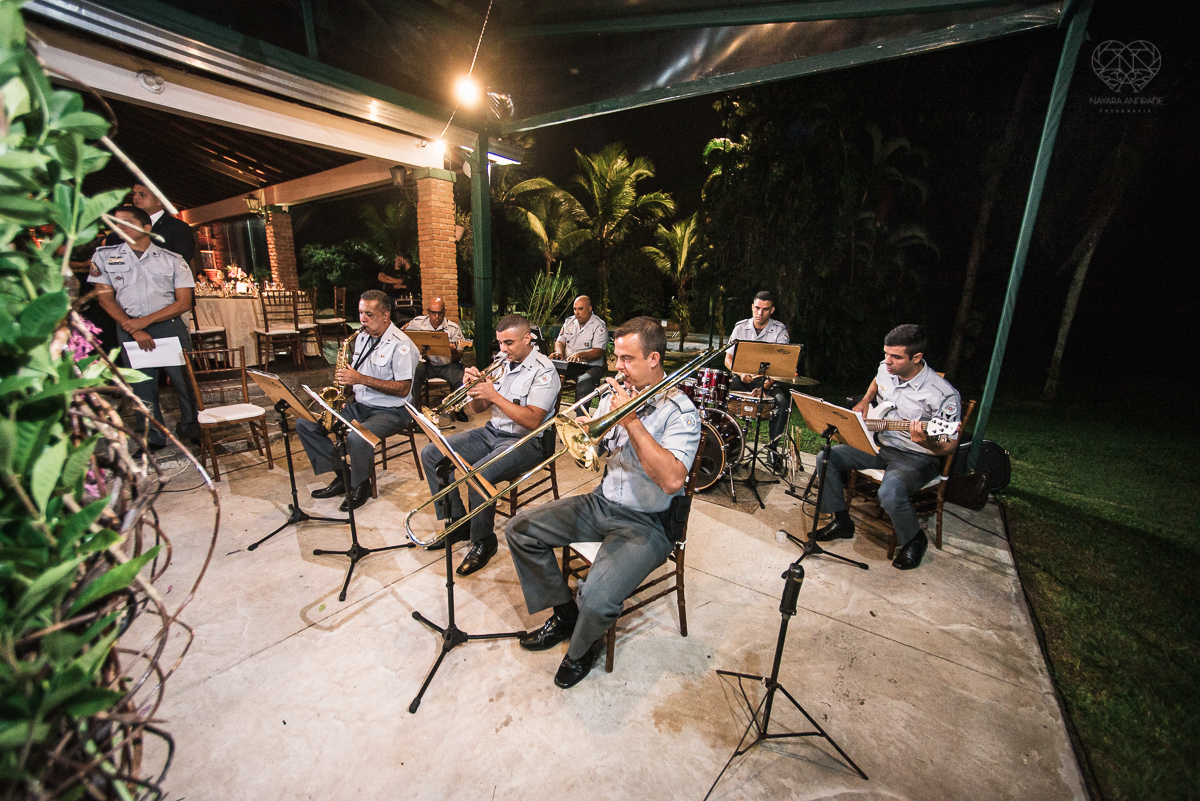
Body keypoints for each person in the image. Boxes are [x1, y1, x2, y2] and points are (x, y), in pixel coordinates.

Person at [506, 317, 702, 689]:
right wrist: (589, 432)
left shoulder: (680, 411)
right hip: (602, 502)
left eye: (627, 359)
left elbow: (673, 479)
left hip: (647, 522)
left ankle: (582, 648)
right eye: (617, 357)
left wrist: (631, 421)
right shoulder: (616, 394)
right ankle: (565, 613)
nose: (618, 367)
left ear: (654, 358)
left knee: (596, 600)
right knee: (520, 528)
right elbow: (595, 450)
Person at [419, 314, 561, 576]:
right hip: (493, 432)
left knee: (478, 475)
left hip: (528, 441)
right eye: (500, 343)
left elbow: (532, 420)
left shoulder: (544, 371)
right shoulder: (501, 363)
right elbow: (479, 407)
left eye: (508, 343)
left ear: (527, 338)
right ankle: (460, 523)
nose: (502, 349)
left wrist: (494, 394)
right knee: (431, 453)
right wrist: (472, 387)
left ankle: (483, 541)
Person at [811, 324, 961, 571]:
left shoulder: (942, 394)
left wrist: (928, 441)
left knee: (889, 494)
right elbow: (877, 381)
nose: (887, 361)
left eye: (896, 357)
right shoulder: (885, 369)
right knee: (827, 457)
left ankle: (914, 540)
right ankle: (841, 521)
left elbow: (950, 445)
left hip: (917, 457)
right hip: (880, 446)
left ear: (917, 357)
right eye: (886, 354)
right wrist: (865, 401)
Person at [89, 206, 199, 452]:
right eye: (117, 224)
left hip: (169, 327)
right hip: (129, 327)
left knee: (185, 383)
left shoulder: (173, 260)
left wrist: (144, 322)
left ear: (146, 228)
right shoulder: (104, 256)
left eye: (128, 223)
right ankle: (153, 437)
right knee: (142, 387)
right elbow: (104, 298)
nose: (121, 228)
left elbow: (183, 302)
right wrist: (134, 328)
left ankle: (193, 428)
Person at [297, 291, 419, 511]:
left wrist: (360, 379)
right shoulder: (360, 337)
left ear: (385, 315)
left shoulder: (402, 344)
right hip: (361, 406)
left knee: (357, 438)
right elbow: (355, 376)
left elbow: (403, 389)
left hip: (392, 411)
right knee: (306, 424)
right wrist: (343, 396)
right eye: (361, 312)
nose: (363, 319)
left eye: (369, 314)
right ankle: (344, 477)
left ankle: (360, 486)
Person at [725, 291, 791, 468]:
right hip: (743, 377)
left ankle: (772, 450)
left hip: (768, 380)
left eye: (765, 309)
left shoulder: (779, 331)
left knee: (782, 403)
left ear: (772, 310)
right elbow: (728, 358)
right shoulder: (740, 327)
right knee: (725, 397)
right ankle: (728, 447)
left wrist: (766, 386)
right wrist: (739, 373)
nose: (760, 313)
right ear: (752, 307)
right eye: (757, 308)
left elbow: (782, 364)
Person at [404, 297, 468, 422]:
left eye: (440, 313)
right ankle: (413, 411)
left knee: (461, 377)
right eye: (433, 313)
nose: (437, 316)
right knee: (412, 373)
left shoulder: (453, 329)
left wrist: (452, 350)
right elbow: (403, 332)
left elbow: (459, 356)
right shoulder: (418, 323)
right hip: (426, 363)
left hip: (447, 365)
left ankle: (459, 409)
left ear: (444, 312)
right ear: (428, 312)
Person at [104, 184, 196, 268]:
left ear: (159, 200)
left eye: (142, 194)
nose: (136, 197)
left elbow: (181, 262)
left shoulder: (178, 228)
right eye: (134, 194)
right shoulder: (120, 231)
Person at [554, 295, 609, 400]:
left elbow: (599, 352)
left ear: (589, 309)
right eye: (575, 309)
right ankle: (551, 413)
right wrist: (559, 353)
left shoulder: (598, 325)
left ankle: (581, 416)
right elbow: (560, 342)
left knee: (584, 382)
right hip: (569, 366)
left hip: (591, 367)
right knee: (547, 374)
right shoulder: (569, 322)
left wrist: (580, 355)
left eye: (580, 309)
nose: (576, 312)